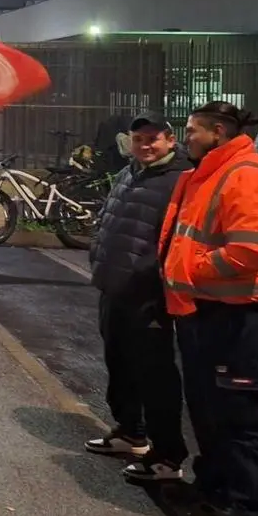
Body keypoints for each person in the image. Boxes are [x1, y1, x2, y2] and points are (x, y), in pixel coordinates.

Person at [161, 101, 258, 516]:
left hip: (237, 316)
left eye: (193, 130)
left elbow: (248, 252)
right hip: (207, 309)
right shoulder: (213, 172)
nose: (185, 137)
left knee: (241, 416)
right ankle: (214, 493)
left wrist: (191, 268)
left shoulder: (246, 176)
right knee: (209, 410)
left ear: (217, 131)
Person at [85, 112, 190, 481]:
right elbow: (110, 218)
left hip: (148, 293)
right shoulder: (133, 172)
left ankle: (167, 455)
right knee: (119, 362)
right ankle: (130, 431)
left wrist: (154, 276)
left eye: (153, 139)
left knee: (155, 373)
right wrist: (98, 251)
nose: (145, 145)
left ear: (170, 140)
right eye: (139, 139)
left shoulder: (181, 180)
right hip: (114, 285)